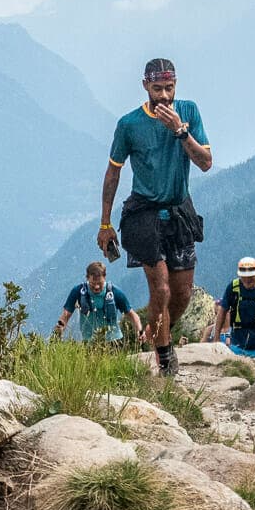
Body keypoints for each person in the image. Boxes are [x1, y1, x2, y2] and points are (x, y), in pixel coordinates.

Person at [97, 58, 212, 378]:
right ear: (145, 86)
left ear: (177, 86)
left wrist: (180, 131)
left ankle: (161, 329)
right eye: (157, 88)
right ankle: (164, 360)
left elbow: (205, 162)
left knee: (183, 293)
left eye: (169, 88)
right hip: (143, 213)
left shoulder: (188, 112)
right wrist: (105, 224)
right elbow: (112, 173)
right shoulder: (129, 124)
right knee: (160, 289)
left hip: (179, 210)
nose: (164, 96)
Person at [52, 261, 143, 343]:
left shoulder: (115, 292)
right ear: (87, 278)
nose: (96, 287)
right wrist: (58, 331)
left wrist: (140, 331)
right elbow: (66, 315)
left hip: (114, 342)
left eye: (100, 283)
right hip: (89, 342)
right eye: (92, 283)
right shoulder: (78, 291)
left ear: (105, 277)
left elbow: (131, 314)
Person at [208, 256, 255, 358]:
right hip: (236, 345)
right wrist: (216, 337)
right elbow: (222, 311)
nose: (247, 280)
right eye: (244, 277)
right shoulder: (232, 288)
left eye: (250, 278)